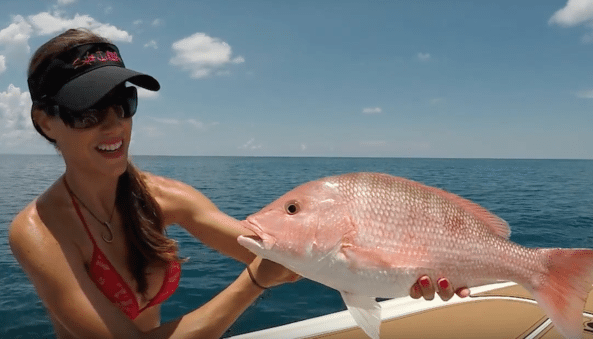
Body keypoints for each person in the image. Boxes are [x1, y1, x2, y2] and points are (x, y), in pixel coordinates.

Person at [9, 28, 468, 338]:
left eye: (123, 103)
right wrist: (252, 283)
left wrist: (411, 269)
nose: (113, 126)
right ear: (46, 122)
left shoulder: (166, 197)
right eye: (89, 111)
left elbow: (287, 259)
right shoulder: (39, 231)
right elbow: (262, 270)